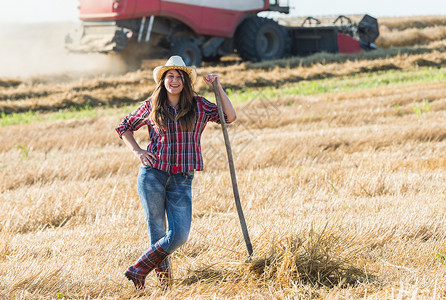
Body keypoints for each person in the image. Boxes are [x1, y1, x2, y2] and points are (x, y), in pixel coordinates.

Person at [115, 55, 236, 290]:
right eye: (170, 76)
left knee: (179, 235)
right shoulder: (152, 105)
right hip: (153, 175)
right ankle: (165, 286)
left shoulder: (198, 105)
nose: (174, 80)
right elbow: (124, 127)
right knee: (157, 231)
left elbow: (229, 117)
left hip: (182, 178)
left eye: (179, 76)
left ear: (185, 81)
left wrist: (217, 86)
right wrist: (138, 151)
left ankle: (138, 268)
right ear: (163, 80)